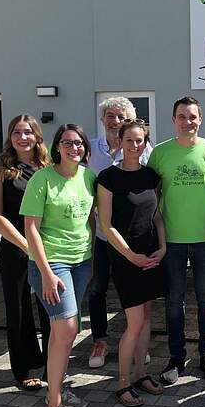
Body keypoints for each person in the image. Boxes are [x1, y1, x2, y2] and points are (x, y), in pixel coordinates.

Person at [21, 124, 96, 407]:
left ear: (85, 147)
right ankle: (54, 406)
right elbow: (31, 228)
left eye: (78, 142)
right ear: (56, 147)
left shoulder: (88, 177)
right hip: (52, 265)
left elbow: (92, 219)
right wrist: (47, 273)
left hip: (82, 262)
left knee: (61, 332)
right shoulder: (43, 178)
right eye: (66, 142)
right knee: (66, 329)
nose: (73, 147)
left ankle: (57, 387)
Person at [147, 96, 205, 384]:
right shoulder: (160, 153)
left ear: (200, 119)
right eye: (182, 116)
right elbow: (153, 195)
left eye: (192, 116)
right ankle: (176, 358)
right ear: (173, 120)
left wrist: (204, 212)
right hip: (172, 240)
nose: (187, 121)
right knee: (174, 301)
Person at [97, 119, 167, 406]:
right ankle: (123, 382)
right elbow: (106, 223)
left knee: (147, 317)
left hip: (151, 256)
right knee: (135, 322)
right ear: (120, 140)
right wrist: (130, 256)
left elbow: (156, 216)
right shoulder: (107, 177)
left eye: (140, 141)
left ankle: (141, 373)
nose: (135, 145)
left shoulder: (151, 176)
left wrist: (162, 247)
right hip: (126, 259)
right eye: (129, 140)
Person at [0, 115, 51, 391]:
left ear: (37, 136)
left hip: (49, 248)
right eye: (16, 132)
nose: (22, 137)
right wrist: (26, 245)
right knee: (19, 309)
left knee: (50, 309)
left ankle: (51, 362)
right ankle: (22, 370)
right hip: (16, 249)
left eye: (27, 132)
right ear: (9, 137)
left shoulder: (47, 167)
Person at [87, 96, 153, 369]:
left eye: (122, 117)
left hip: (136, 239)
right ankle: (100, 341)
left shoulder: (145, 150)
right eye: (111, 116)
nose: (116, 121)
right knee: (98, 288)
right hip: (102, 236)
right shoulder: (87, 150)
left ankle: (136, 341)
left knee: (136, 293)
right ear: (102, 119)